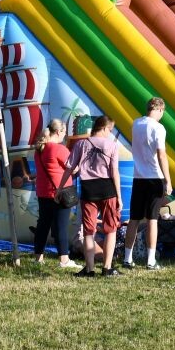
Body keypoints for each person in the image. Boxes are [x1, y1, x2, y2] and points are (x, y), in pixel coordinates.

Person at [58, 115, 122, 277]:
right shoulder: (112, 145)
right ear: (105, 128)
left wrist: (60, 188)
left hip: (88, 190)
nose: (110, 133)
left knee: (88, 231)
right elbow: (114, 172)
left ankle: (89, 269)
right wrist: (119, 197)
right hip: (108, 190)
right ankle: (107, 268)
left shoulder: (81, 144)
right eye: (110, 130)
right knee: (110, 230)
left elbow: (69, 168)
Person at [123, 97, 172, 270]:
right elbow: (161, 155)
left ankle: (127, 258)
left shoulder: (136, 124)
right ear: (159, 109)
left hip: (138, 177)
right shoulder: (158, 128)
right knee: (152, 219)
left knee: (134, 219)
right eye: (162, 112)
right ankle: (151, 260)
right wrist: (168, 179)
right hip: (154, 177)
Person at [32, 119, 78, 269]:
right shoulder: (58, 149)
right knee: (61, 227)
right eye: (64, 133)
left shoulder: (39, 149)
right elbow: (74, 168)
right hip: (60, 193)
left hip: (43, 192)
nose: (64, 136)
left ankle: (38, 257)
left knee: (43, 225)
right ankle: (64, 260)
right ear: (58, 132)